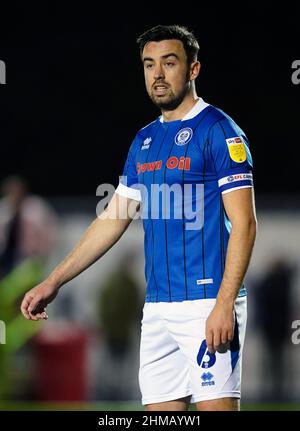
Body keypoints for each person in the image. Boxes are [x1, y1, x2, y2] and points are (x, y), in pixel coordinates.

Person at [20, 25, 257, 411]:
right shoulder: (144, 140)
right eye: (149, 65)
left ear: (193, 69)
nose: (158, 75)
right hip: (158, 309)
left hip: (207, 302)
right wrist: (54, 280)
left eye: (169, 62)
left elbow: (245, 224)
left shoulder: (219, 131)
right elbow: (113, 218)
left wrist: (224, 303)